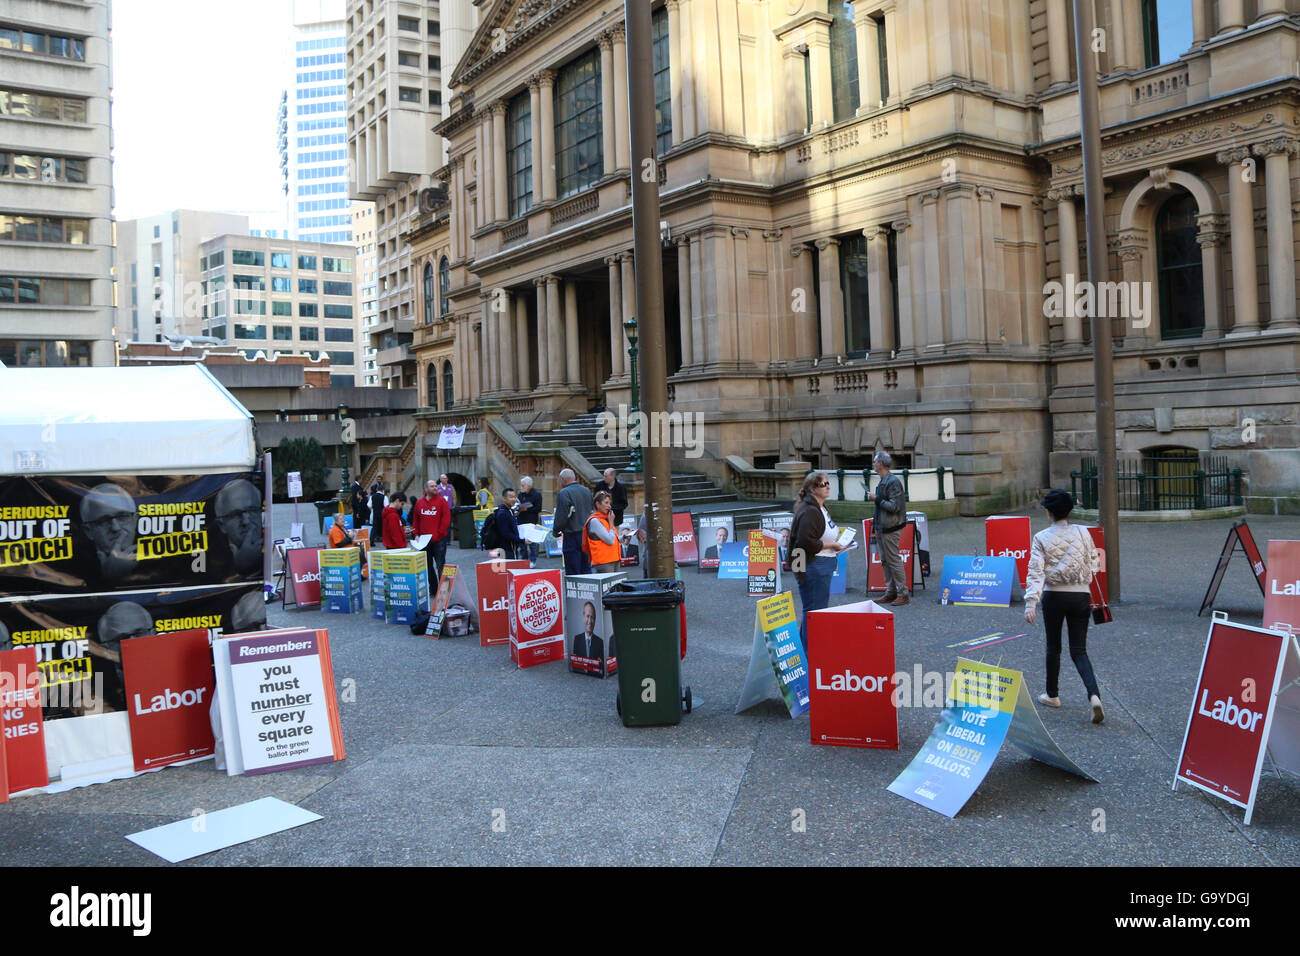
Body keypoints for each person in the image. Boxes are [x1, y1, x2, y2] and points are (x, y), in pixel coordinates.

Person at [1025, 489, 1105, 724]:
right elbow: (1095, 563)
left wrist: (1031, 603)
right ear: (1069, 510)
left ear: (1048, 512)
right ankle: (1094, 696)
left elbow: (1036, 572)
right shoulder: (1083, 532)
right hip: (1081, 595)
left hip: (1054, 596)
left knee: (1053, 647)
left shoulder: (1040, 537)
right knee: (1079, 650)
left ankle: (1052, 694)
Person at [789, 471, 847, 657]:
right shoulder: (810, 511)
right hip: (814, 565)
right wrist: (832, 545)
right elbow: (805, 541)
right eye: (823, 484)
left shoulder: (819, 507)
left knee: (813, 611)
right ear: (813, 489)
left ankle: (807, 652)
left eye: (828, 483)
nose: (828, 486)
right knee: (814, 612)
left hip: (820, 563)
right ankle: (807, 655)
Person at [870, 451, 909, 606]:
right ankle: (891, 591)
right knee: (886, 561)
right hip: (882, 526)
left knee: (893, 560)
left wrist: (876, 499)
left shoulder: (892, 481)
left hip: (890, 527)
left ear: (880, 463)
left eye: (874, 462)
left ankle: (903, 593)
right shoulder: (884, 480)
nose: (873, 464)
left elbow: (894, 506)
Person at [79, 482, 137, 580]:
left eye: (122, 516)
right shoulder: (74, 574)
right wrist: (113, 577)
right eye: (103, 521)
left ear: (135, 520)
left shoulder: (161, 561)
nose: (116, 528)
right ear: (88, 531)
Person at [214, 478, 264, 574]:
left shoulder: (275, 550)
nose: (245, 521)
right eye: (235, 514)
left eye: (252, 510)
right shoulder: (214, 563)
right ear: (222, 525)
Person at [554, 468, 594, 575]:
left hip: (572, 535)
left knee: (573, 570)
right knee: (586, 568)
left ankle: (574, 591)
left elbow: (561, 516)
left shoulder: (564, 493)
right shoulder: (586, 491)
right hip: (586, 534)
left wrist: (556, 530)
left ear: (563, 479)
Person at [413, 479, 452, 578]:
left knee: (441, 565)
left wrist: (439, 533)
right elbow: (416, 520)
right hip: (424, 541)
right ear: (426, 489)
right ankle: (433, 589)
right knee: (427, 566)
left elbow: (446, 520)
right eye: (432, 486)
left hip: (439, 540)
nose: (435, 488)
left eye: (435, 486)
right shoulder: (419, 503)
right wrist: (416, 535)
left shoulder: (442, 501)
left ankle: (443, 590)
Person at [572, 600, 616, 677]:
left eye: (592, 617)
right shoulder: (577, 639)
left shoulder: (600, 642)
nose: (590, 621)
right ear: (583, 617)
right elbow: (575, 665)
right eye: (588, 616)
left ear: (595, 620)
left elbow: (602, 668)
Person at [583, 490, 622, 573]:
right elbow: (610, 540)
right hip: (604, 562)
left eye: (610, 503)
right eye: (606, 503)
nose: (609, 506)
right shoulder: (595, 521)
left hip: (614, 559)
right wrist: (611, 523)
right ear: (597, 504)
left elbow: (612, 537)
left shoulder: (605, 518)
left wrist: (623, 537)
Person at [516, 475, 543, 567]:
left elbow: (538, 508)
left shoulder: (536, 495)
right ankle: (524, 559)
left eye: (523, 485)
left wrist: (527, 509)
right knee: (522, 542)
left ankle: (532, 560)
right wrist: (518, 508)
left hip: (531, 521)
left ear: (529, 485)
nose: (522, 487)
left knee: (532, 542)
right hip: (521, 520)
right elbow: (518, 504)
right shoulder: (521, 494)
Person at [493, 488, 526, 560]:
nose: (514, 499)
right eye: (511, 497)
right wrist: (522, 541)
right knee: (509, 569)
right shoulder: (502, 513)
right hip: (506, 550)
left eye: (514, 497)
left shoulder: (509, 510)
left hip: (511, 548)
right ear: (504, 499)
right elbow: (506, 533)